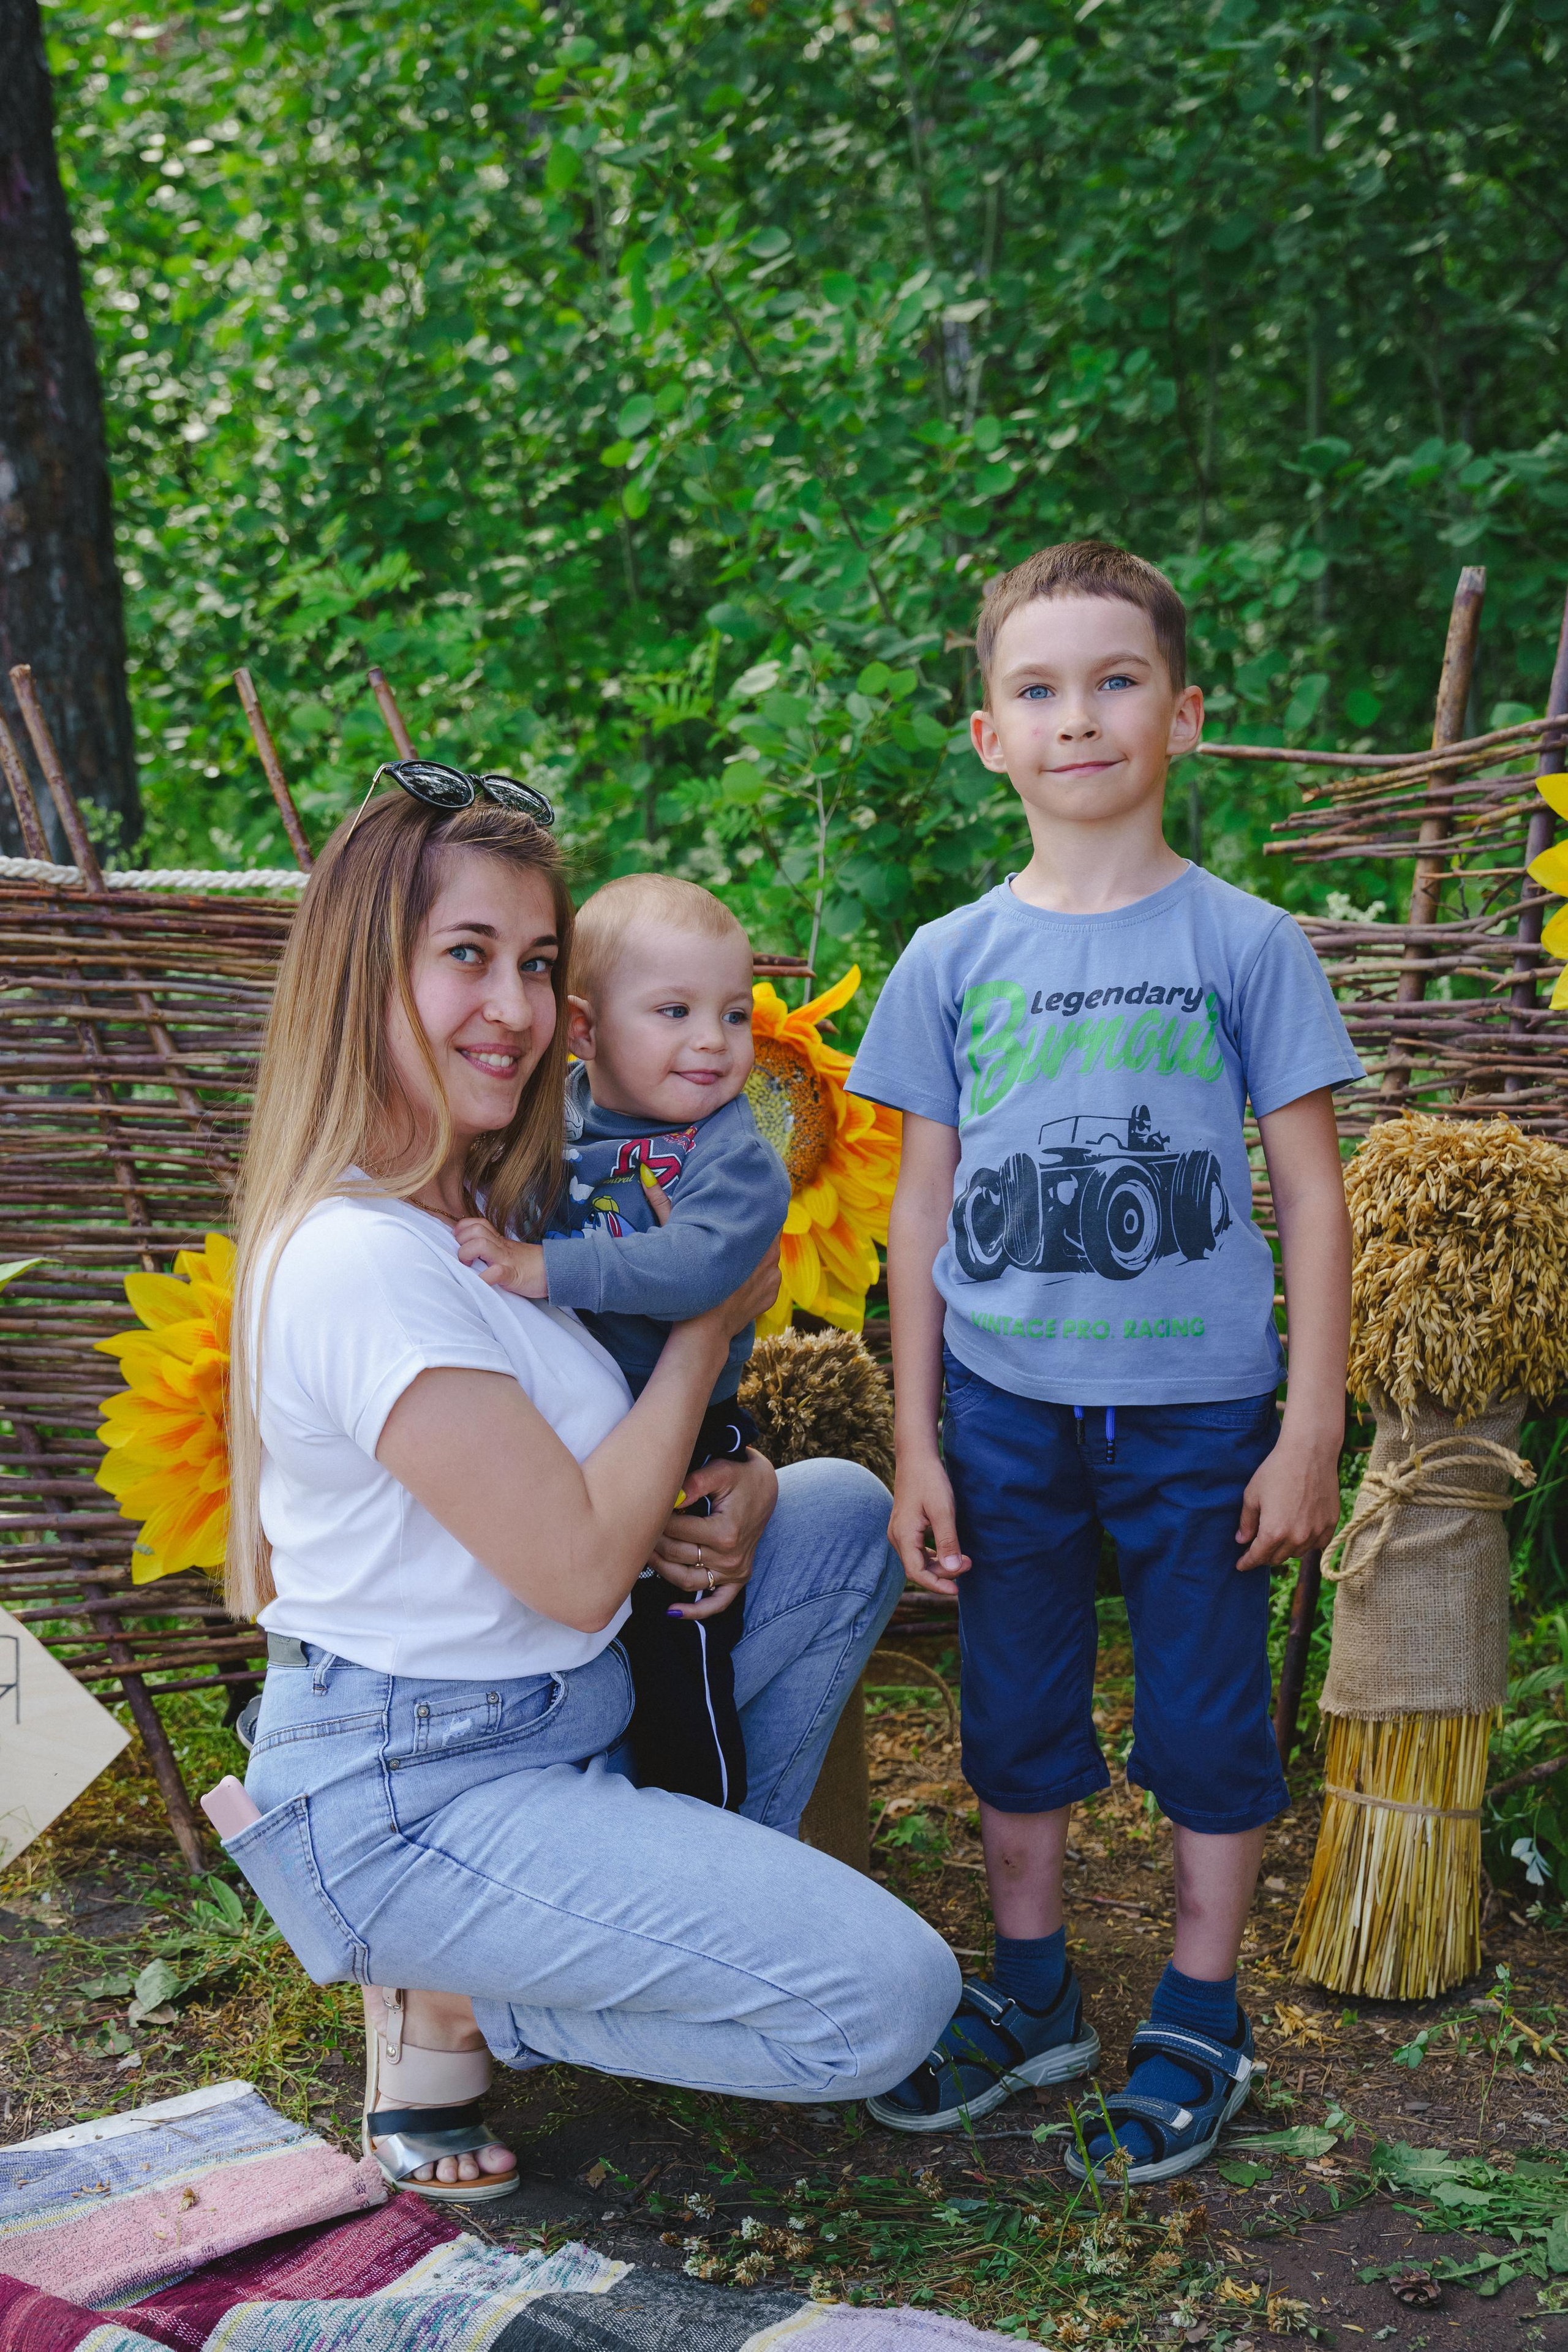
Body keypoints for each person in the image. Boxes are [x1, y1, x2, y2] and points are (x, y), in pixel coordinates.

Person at [221, 768, 960, 2204]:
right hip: (420, 1784)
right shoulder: (358, 1259)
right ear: (362, 974)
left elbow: (606, 1445)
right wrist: (707, 1324)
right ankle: (452, 1994)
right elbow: (569, 1565)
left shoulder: (486, 1206)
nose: (511, 1004)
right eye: (464, 956)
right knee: (883, 2001)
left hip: (578, 1707)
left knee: (829, 1512)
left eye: (537, 962)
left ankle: (668, 1927)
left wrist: (731, 1478)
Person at [846, 541, 1360, 2184]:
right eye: (1041, 688)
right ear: (988, 733)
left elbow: (1309, 1193)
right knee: (1013, 1707)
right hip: (1003, 1410)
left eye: (1118, 680)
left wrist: (1308, 1425)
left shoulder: (1247, 942)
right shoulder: (949, 959)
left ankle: (1203, 2010)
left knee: (1209, 1713)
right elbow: (919, 1211)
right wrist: (916, 1441)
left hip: (1206, 1415)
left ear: (1186, 715)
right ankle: (1036, 1992)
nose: (1082, 717)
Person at [452, 872, 790, 1809]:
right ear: (586, 1031)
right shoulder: (550, 1117)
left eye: (733, 1015)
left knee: (680, 1650)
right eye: (675, 1011)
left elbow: (696, 1270)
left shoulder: (733, 1155)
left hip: (683, 1439)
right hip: (575, 1443)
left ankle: (710, 1818)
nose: (713, 1043)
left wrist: (543, 1268)